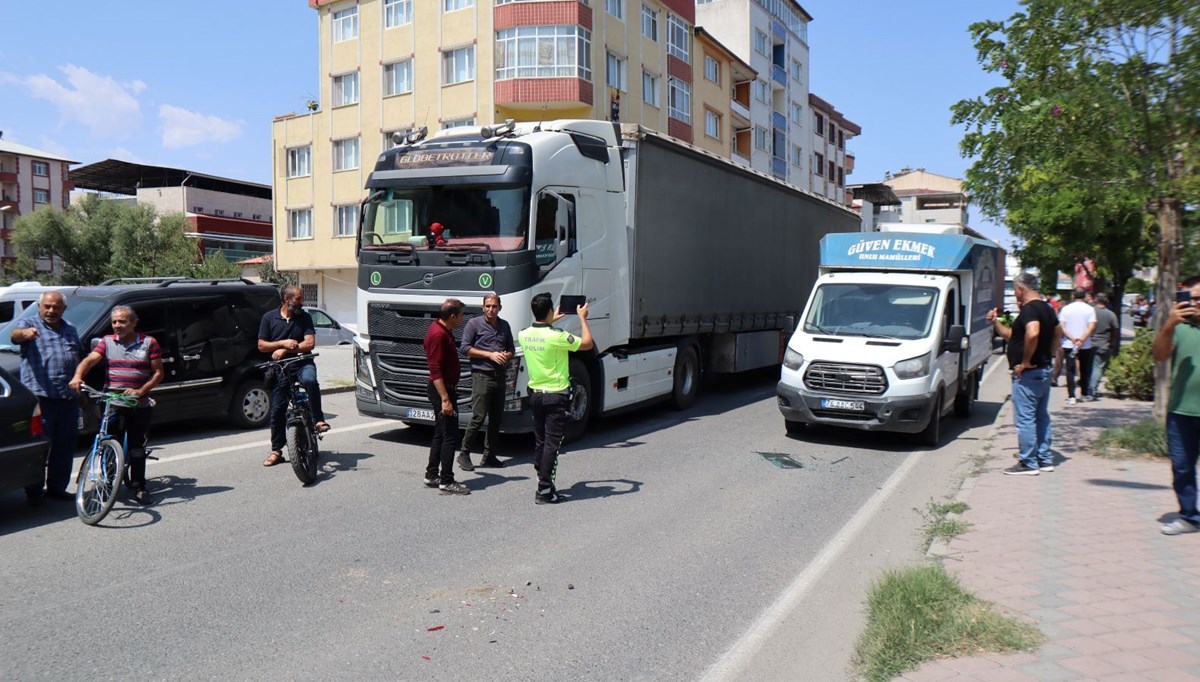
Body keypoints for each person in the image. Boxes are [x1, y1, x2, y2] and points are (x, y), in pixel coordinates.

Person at [68, 306, 164, 505]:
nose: (117, 325)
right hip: (111, 402)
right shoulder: (106, 342)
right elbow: (89, 360)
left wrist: (141, 391)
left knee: (137, 447)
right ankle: (109, 482)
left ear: (133, 323)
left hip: (139, 403)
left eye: (122, 321)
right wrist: (78, 376)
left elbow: (158, 374)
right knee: (109, 444)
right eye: (114, 322)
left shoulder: (149, 343)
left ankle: (139, 486)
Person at [517, 293, 593, 504]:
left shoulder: (524, 334)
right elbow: (587, 343)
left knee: (541, 441)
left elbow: (539, 329)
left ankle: (542, 475)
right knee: (552, 443)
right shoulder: (557, 336)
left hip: (535, 396)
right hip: (555, 397)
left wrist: (550, 319)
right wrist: (582, 317)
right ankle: (544, 489)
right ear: (550, 310)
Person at [11, 291, 81, 502]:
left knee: (65, 445)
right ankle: (34, 491)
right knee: (40, 447)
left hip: (67, 398)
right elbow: (15, 335)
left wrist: (81, 392)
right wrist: (25, 334)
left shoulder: (70, 329)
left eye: (56, 307)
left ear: (63, 309)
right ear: (40, 307)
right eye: (47, 306)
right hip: (41, 400)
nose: (51, 311)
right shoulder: (29, 323)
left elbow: (77, 357)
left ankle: (57, 488)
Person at [987, 272, 1060, 475]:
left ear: (1020, 289)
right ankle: (1044, 459)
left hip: (1030, 374)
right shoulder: (1047, 308)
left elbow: (1033, 332)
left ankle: (1028, 462)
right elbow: (1016, 336)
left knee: (1025, 419)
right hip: (1043, 369)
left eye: (1015, 289)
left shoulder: (1030, 310)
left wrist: (1026, 361)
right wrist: (996, 323)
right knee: (1041, 416)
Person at [258, 284, 328, 467]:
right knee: (277, 409)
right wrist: (282, 344)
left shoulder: (304, 317)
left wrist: (288, 348)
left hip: (303, 363)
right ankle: (276, 451)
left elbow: (310, 343)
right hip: (281, 368)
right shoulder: (269, 318)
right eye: (298, 299)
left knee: (310, 381)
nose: (301, 302)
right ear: (286, 300)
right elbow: (262, 345)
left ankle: (318, 419)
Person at [1153, 277, 1200, 535]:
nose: (1196, 303)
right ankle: (1190, 517)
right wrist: (1170, 323)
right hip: (1181, 410)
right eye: (1192, 298)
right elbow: (1159, 355)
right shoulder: (1179, 328)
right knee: (1182, 467)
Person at [457, 293, 514, 471]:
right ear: (483, 307)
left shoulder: (504, 325)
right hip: (482, 375)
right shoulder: (474, 324)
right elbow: (464, 348)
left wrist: (506, 355)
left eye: (494, 306)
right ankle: (464, 453)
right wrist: (489, 354)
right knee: (478, 416)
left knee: (496, 418)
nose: (491, 309)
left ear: (500, 308)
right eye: (488, 306)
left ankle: (489, 455)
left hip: (500, 376)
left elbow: (511, 348)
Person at [423, 298, 470, 495]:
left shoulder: (443, 331)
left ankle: (432, 474)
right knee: (450, 436)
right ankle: (446, 480)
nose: (462, 319)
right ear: (452, 316)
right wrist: (445, 399)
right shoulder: (438, 335)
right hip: (442, 391)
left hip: (445, 389)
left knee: (441, 434)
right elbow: (435, 370)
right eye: (461, 315)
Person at [1058, 287, 1097, 405]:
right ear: (1085, 296)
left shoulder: (1066, 309)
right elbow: (1092, 326)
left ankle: (1071, 396)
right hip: (1085, 344)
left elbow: (1062, 326)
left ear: (1073, 296)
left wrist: (1073, 338)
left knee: (1070, 370)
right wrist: (1082, 339)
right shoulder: (1090, 309)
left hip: (1069, 344)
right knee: (1085, 369)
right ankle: (1084, 393)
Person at [1087, 292, 1120, 399]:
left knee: (1088, 367)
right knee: (1098, 368)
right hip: (1103, 344)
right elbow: (1115, 330)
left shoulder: (1090, 312)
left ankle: (1087, 389)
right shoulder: (1111, 314)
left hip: (1089, 343)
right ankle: (1092, 391)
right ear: (1107, 301)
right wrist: (1112, 343)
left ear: (1096, 300)